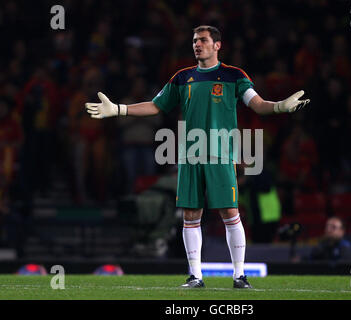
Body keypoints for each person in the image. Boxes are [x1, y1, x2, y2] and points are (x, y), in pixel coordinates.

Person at [85, 25, 310, 288]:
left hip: (220, 154)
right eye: (194, 40)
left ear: (217, 45)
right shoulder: (182, 77)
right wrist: (120, 109)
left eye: (203, 40)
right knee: (191, 215)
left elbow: (258, 104)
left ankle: (240, 275)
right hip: (190, 155)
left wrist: (281, 106)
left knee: (230, 212)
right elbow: (156, 106)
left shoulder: (233, 75)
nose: (197, 44)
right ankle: (195, 276)